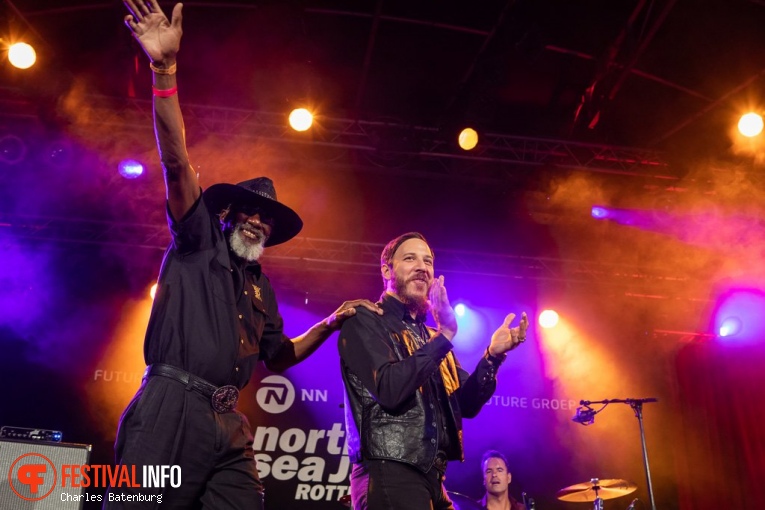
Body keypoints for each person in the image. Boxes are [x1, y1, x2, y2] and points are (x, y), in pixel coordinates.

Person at [110, 1, 381, 508]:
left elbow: (279, 357)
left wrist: (331, 322)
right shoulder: (198, 239)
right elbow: (175, 162)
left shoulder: (260, 285)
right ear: (230, 213)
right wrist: (164, 70)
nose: (260, 222)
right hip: (171, 407)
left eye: (268, 219)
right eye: (252, 212)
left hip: (228, 421)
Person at [338, 232, 529, 510]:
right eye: (410, 258)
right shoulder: (366, 320)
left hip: (433, 477)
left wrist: (492, 357)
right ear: (386, 270)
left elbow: (467, 403)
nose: (422, 267)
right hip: (388, 469)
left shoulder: (433, 336)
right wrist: (446, 334)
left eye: (428, 261)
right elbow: (389, 389)